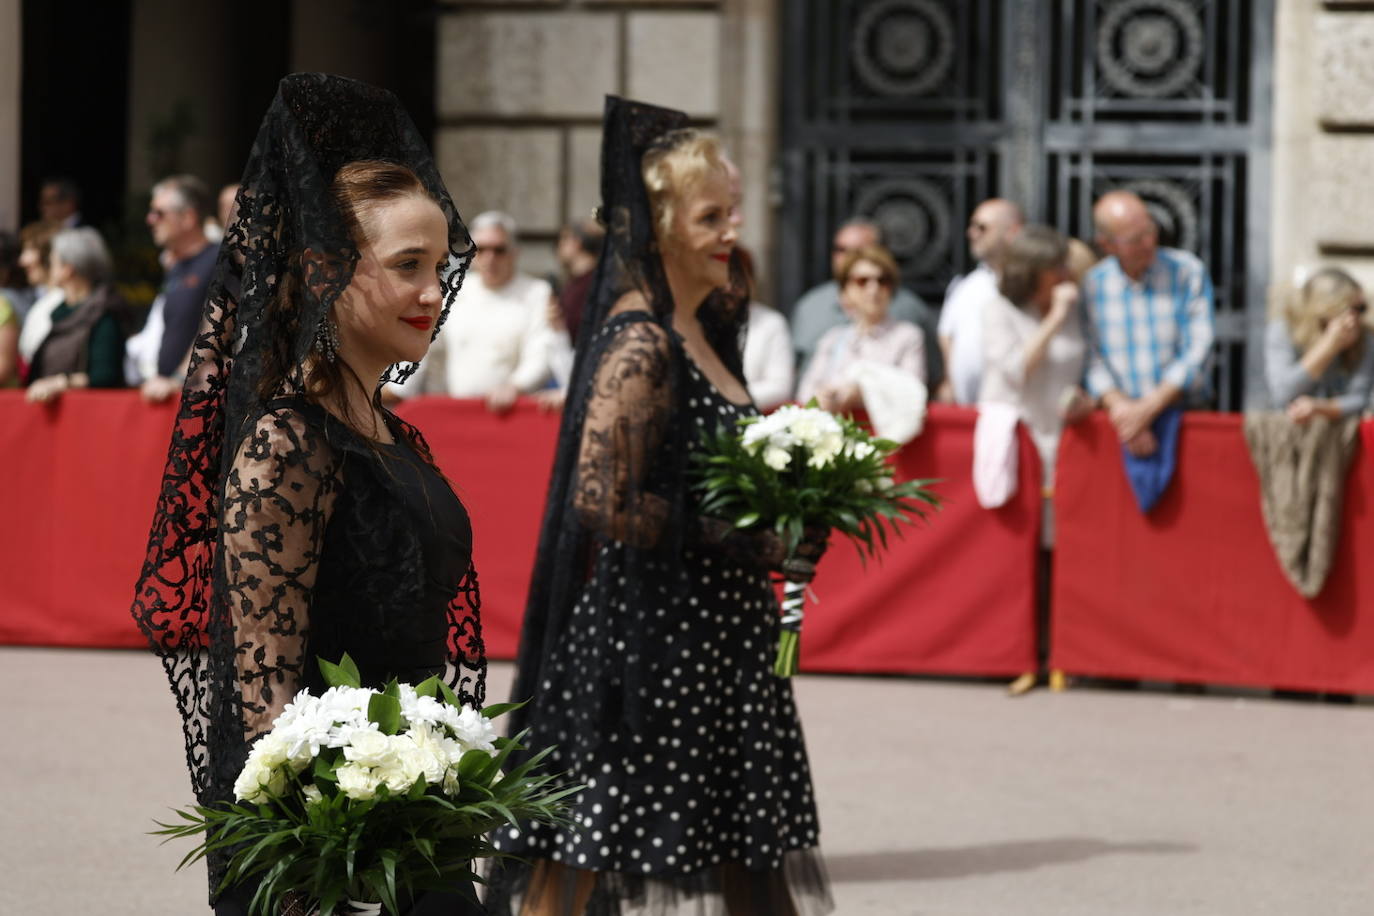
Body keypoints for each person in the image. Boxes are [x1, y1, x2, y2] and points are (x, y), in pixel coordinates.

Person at [128, 73, 486, 916]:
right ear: (327, 268)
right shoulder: (287, 443)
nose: (434, 294)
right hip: (335, 849)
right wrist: (323, 879)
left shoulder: (396, 431)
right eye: (407, 267)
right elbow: (265, 695)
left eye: (439, 266)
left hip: (413, 822)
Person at [486, 97, 833, 916]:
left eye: (732, 212)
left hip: (722, 643)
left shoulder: (709, 324)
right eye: (711, 215)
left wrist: (792, 508)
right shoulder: (641, 339)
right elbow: (602, 500)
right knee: (575, 864)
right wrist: (747, 543)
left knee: (754, 856)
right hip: (648, 646)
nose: (729, 230)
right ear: (662, 225)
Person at [978, 227, 1090, 696]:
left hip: (1064, 438)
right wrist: (1056, 316)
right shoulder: (998, 310)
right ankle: (1020, 653)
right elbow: (1015, 370)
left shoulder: (1076, 310)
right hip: (1016, 441)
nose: (1066, 276)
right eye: (1056, 268)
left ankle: (1058, 652)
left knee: (1059, 546)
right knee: (1018, 550)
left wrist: (1088, 399)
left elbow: (1081, 365)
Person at [390, 210, 566, 412]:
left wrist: (516, 386)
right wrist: (398, 387)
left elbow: (542, 351)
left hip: (512, 411)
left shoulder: (537, 292)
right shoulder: (453, 289)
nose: (490, 258)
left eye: (499, 250)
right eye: (482, 249)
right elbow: (426, 345)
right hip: (458, 411)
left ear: (514, 252)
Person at [1083, 190, 1215, 456]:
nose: (1148, 243)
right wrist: (1122, 409)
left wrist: (1148, 407)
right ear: (1107, 244)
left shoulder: (1186, 271)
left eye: (1150, 230)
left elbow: (1199, 346)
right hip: (1119, 423)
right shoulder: (1093, 285)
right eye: (1135, 239)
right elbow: (1089, 355)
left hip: (1183, 412)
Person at [791, 217, 942, 388]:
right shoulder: (819, 319)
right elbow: (802, 383)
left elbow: (924, 383)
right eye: (841, 249)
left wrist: (858, 394)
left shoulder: (910, 321)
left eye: (882, 281)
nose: (873, 289)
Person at [796, 244, 925, 413]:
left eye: (882, 281)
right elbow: (805, 393)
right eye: (862, 281)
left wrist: (862, 393)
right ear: (846, 290)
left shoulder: (908, 336)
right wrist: (823, 397)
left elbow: (912, 392)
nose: (874, 289)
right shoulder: (833, 338)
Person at [124, 174, 219, 403]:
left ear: (188, 217)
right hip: (167, 394)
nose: (150, 220)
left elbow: (216, 325)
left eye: (159, 213)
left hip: (196, 399)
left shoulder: (219, 259)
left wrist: (178, 378)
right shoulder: (176, 267)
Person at [25, 227, 129, 401]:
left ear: (68, 269)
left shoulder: (104, 313)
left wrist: (60, 383)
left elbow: (105, 375)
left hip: (88, 416)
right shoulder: (59, 313)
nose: (49, 267)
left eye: (52, 262)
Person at [937, 198, 1024, 404]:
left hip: (1014, 409)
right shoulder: (965, 285)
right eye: (972, 226)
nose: (972, 233)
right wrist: (951, 380)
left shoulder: (1030, 282)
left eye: (982, 227)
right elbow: (947, 336)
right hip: (966, 409)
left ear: (1012, 232)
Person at [1265, 267, 1374, 422]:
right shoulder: (1284, 330)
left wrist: (1320, 408)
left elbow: (1361, 398)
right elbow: (1282, 394)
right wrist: (1329, 347)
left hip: (1343, 435)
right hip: (1290, 432)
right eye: (1353, 309)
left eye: (1361, 308)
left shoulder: (1365, 337)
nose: (1357, 317)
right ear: (1327, 309)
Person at [737, 245, 795, 410]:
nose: (729, 286)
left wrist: (728, 398)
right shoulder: (697, 322)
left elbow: (780, 386)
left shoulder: (771, 322)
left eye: (738, 277)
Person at [15, 221, 64, 379]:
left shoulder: (62, 304)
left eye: (29, 250)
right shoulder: (44, 302)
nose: (22, 261)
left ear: (49, 255)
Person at [555, 217, 605, 345]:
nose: (559, 246)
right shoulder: (575, 282)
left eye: (564, 239)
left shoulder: (595, 283)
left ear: (576, 242)